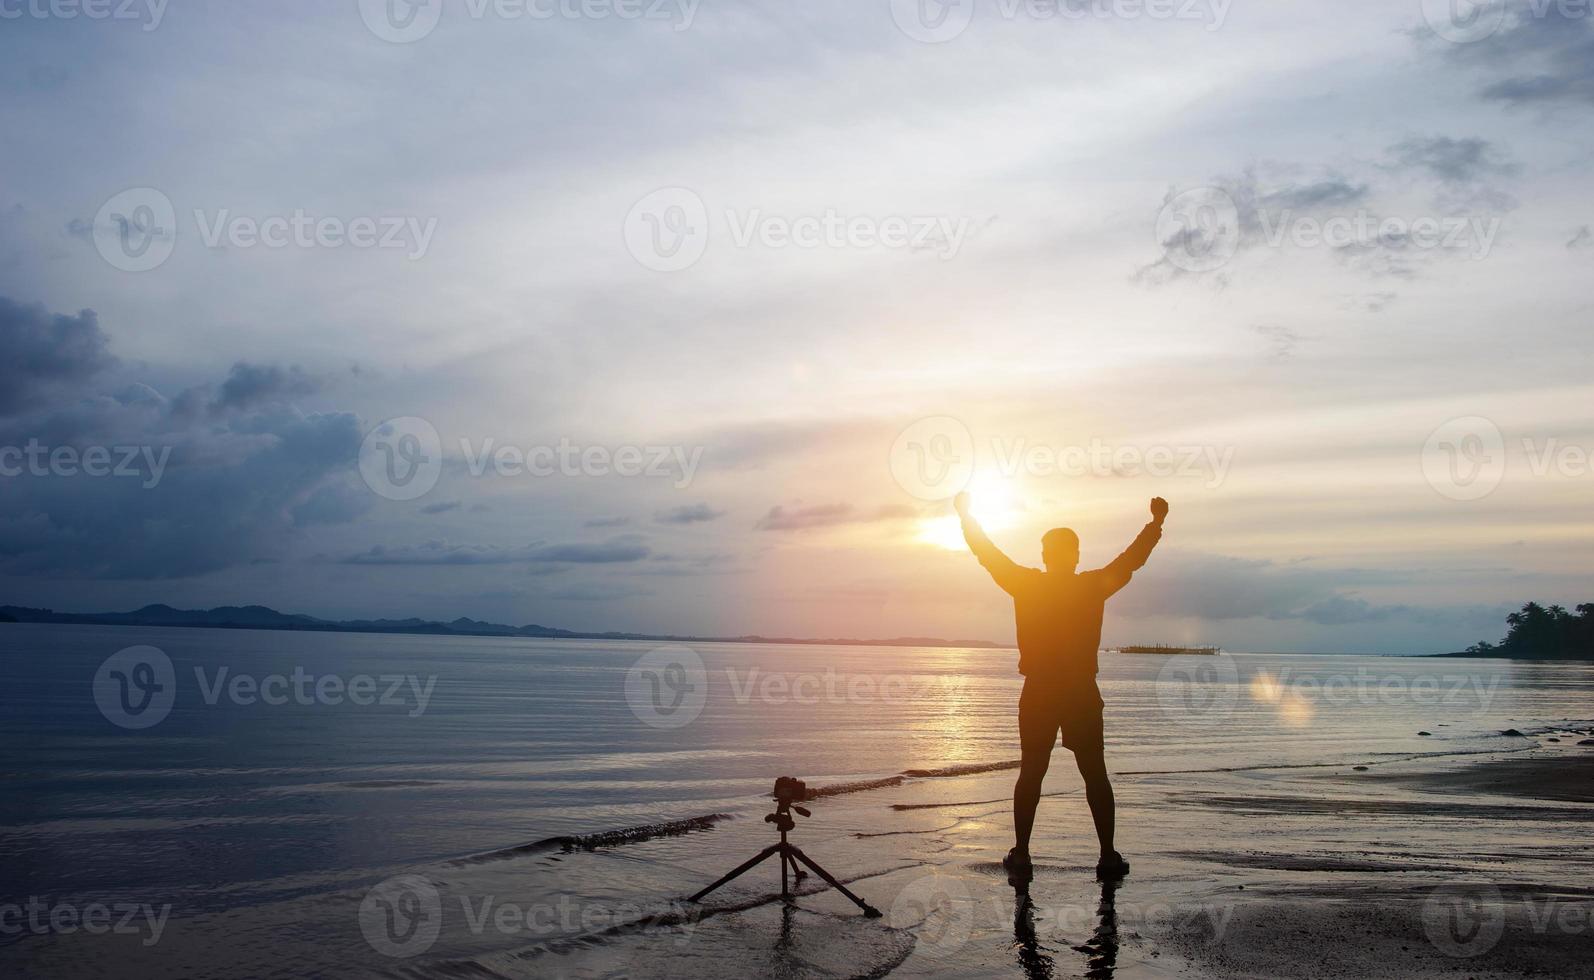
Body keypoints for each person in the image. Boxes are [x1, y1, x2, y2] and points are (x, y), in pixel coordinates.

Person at [955, 491, 1167, 879]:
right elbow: (1131, 560)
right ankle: (1106, 857)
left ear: (1045, 555)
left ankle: (1021, 854)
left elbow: (988, 554)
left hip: (1039, 692)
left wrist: (967, 518)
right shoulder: (1091, 585)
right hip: (1079, 692)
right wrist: (1155, 525)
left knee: (1032, 771)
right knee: (1094, 773)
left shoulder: (1026, 584)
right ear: (1074, 555)